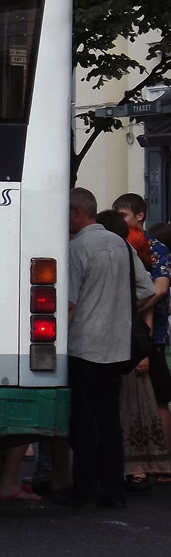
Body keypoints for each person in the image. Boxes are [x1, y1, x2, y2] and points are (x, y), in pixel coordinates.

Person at [50, 188, 155, 508]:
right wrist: (121, 310)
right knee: (109, 419)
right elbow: (147, 288)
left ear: (77, 213)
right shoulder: (122, 245)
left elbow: (69, 303)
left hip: (84, 345)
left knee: (83, 419)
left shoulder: (77, 247)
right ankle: (114, 490)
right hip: (117, 345)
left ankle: (86, 488)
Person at [112, 195, 171, 489]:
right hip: (129, 332)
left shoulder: (155, 248)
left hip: (152, 334)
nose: (120, 220)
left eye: (123, 214)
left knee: (158, 397)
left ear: (140, 215)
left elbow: (157, 290)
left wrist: (127, 309)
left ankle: (162, 461)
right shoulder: (122, 244)